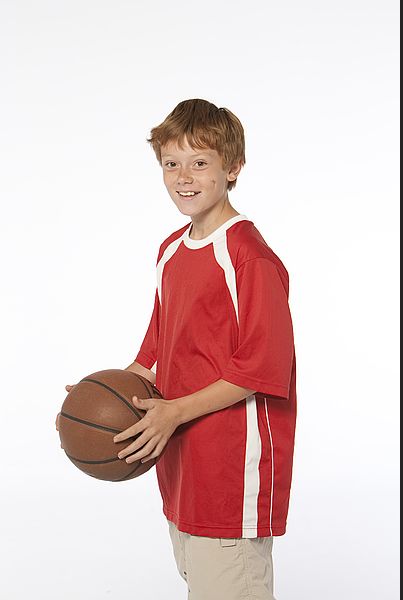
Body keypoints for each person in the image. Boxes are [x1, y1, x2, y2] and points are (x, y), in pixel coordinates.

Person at [57, 98, 297, 600]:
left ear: (233, 168)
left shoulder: (248, 257)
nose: (183, 176)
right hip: (182, 467)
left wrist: (174, 412)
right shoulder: (171, 250)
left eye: (200, 162)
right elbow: (152, 355)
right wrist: (93, 399)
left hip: (232, 469)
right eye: (171, 163)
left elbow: (262, 369)